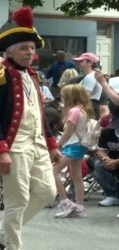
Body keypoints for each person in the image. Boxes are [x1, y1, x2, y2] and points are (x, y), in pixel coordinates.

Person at [0, 7, 60, 250]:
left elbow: (39, 113)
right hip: (14, 145)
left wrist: (52, 143)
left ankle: (1, 232)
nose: (30, 52)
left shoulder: (32, 75)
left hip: (36, 143)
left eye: (32, 48)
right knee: (18, 200)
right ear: (10, 51)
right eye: (24, 48)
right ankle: (12, 245)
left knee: (47, 191)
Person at [53, 84, 94, 218]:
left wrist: (58, 145)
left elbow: (68, 132)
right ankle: (80, 207)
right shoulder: (82, 110)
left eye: (64, 95)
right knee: (77, 176)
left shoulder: (73, 111)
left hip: (72, 146)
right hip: (79, 146)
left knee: (53, 171)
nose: (61, 98)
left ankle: (66, 202)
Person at [93, 103, 119, 210]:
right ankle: (113, 195)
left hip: (116, 161)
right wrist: (106, 159)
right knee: (98, 164)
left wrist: (116, 162)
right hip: (111, 161)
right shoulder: (107, 132)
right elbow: (100, 150)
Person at [72, 52, 107, 119]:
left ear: (90, 63)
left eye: (81, 61)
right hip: (90, 107)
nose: (78, 64)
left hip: (89, 108)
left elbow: (85, 96)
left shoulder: (90, 77)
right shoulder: (89, 76)